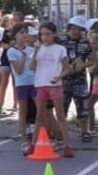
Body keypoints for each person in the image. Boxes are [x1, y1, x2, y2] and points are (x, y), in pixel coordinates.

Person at [27, 22, 75, 158]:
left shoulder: (60, 49)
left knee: (60, 115)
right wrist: (36, 51)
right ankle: (33, 144)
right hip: (41, 84)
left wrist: (59, 76)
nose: (45, 37)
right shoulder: (39, 48)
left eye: (48, 34)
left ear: (54, 34)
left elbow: (67, 68)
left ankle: (67, 145)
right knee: (39, 116)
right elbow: (31, 67)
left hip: (54, 85)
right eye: (42, 34)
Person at [60, 17, 92, 142]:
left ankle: (85, 131)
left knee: (83, 106)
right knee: (62, 107)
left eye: (79, 29)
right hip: (63, 79)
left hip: (80, 79)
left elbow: (92, 59)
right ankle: (61, 132)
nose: (76, 32)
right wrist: (66, 67)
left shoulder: (86, 42)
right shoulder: (61, 41)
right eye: (74, 29)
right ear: (69, 29)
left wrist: (82, 66)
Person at [7, 23, 36, 150]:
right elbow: (18, 70)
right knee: (23, 112)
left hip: (34, 83)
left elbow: (35, 67)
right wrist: (23, 57)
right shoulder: (11, 51)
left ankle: (39, 138)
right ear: (15, 36)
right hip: (21, 84)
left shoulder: (31, 50)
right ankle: (24, 140)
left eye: (25, 32)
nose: (24, 35)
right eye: (21, 33)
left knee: (40, 110)